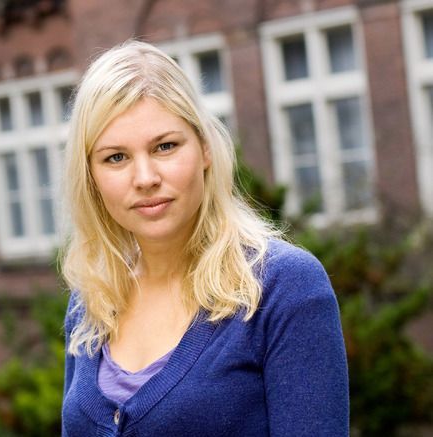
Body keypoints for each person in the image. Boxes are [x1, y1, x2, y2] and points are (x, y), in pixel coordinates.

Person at [59, 40, 349, 437]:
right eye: (116, 157)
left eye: (165, 146)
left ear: (205, 148)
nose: (145, 178)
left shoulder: (284, 288)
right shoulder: (92, 298)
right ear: (91, 176)